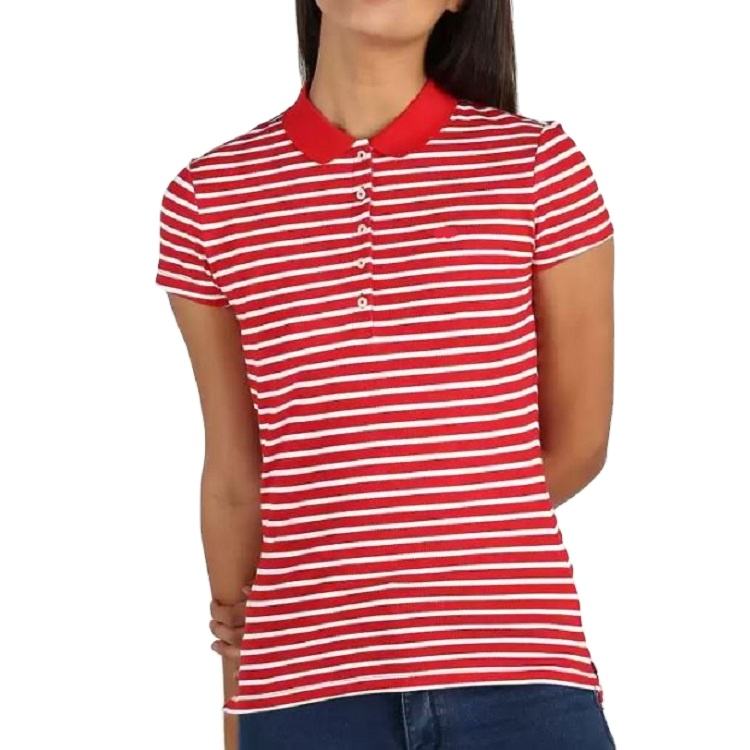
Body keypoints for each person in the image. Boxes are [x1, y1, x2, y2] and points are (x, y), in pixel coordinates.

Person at [154, 1, 617, 748]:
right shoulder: (210, 198)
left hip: (516, 675)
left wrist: (417, 549)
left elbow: (579, 441)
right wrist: (236, 700)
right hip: (305, 691)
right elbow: (237, 478)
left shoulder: (536, 166)